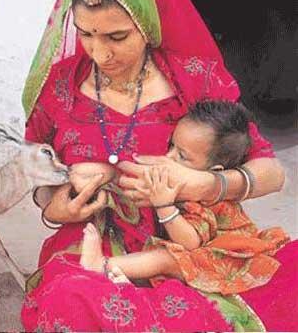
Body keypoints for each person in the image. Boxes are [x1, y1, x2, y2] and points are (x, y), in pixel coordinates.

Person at [22, 0, 298, 331]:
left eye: (117, 36)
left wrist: (204, 183)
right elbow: (33, 169)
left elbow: (272, 172)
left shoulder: (194, 78)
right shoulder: (60, 88)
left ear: (147, 27)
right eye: (86, 33)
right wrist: (53, 206)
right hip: (96, 244)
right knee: (69, 301)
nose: (100, 53)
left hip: (193, 237)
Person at [79, 100, 290, 296]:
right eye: (171, 146)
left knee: (167, 258)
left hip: (219, 256)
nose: (168, 157)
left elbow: (190, 242)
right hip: (198, 252)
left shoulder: (207, 200)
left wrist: (164, 206)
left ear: (214, 171)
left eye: (182, 156)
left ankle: (104, 265)